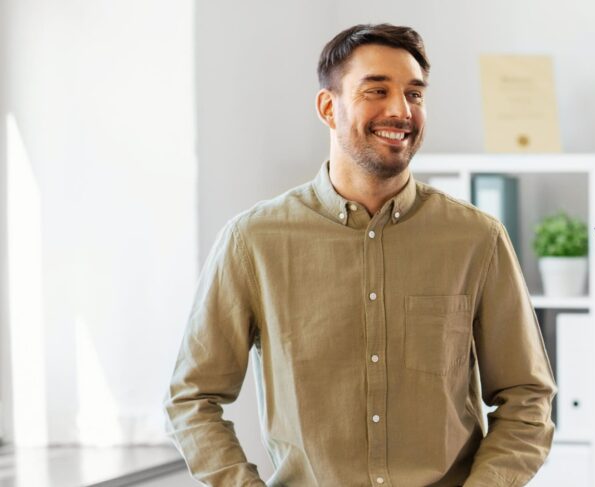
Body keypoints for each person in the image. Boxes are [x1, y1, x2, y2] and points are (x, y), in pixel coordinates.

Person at [165, 24, 556, 487]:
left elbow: (527, 397)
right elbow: (192, 399)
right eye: (377, 90)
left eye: (414, 94)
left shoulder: (477, 239)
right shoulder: (253, 241)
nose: (400, 110)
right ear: (329, 107)